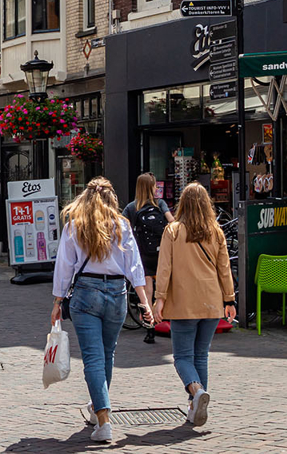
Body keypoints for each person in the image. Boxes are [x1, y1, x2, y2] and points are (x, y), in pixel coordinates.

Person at [50, 176, 155, 443]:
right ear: (113, 199)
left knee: (93, 359)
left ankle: (104, 418)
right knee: (107, 355)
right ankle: (99, 411)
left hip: (86, 292)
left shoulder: (75, 226)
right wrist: (145, 303)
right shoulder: (122, 226)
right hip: (117, 294)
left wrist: (58, 301)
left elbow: (64, 265)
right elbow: (135, 267)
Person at [153, 182, 236, 429]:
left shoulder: (173, 231)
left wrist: (159, 298)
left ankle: (196, 391)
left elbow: (164, 268)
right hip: (211, 301)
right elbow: (224, 267)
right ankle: (194, 407)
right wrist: (229, 299)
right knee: (201, 355)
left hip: (183, 302)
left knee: (181, 357)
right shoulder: (216, 231)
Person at [122, 172, 174, 344]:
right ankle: (168, 323)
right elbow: (172, 223)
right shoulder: (160, 204)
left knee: (148, 292)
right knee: (164, 290)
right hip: (161, 254)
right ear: (152, 187)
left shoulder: (132, 207)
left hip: (143, 255)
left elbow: (121, 228)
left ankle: (149, 329)